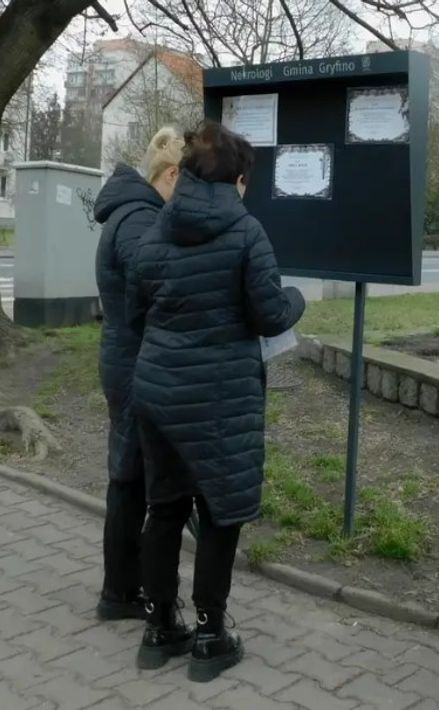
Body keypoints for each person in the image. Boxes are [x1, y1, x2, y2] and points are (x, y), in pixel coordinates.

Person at [126, 120, 305, 681]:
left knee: (165, 508)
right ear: (237, 177)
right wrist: (294, 298)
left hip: (156, 392)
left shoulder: (155, 231)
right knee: (221, 513)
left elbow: (134, 312)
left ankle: (157, 630)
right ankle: (209, 636)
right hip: (220, 398)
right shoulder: (246, 232)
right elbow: (270, 314)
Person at [91, 128, 184, 622]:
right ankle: (121, 592)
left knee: (135, 475)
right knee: (129, 477)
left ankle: (127, 585)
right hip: (131, 363)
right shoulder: (138, 218)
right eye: (185, 184)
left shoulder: (135, 213)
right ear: (170, 175)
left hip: (126, 357)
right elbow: (154, 283)